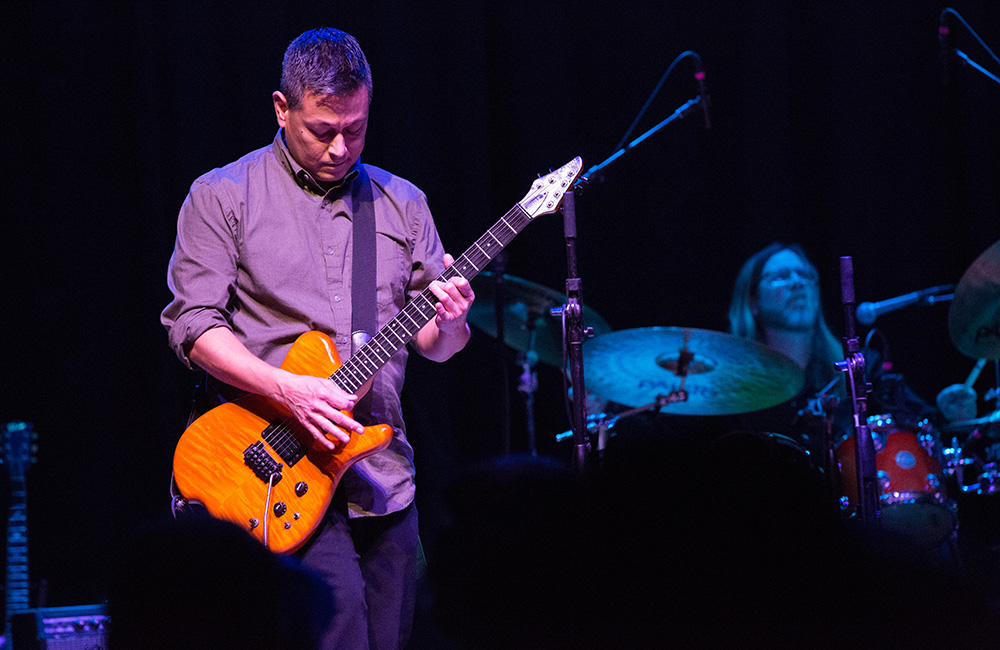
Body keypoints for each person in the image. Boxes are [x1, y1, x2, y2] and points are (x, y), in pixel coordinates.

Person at [160, 27, 474, 650]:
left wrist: (454, 322)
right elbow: (193, 327)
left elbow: (435, 344)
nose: (339, 147)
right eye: (321, 130)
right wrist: (289, 390)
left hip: (381, 475)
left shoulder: (403, 203)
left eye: (355, 129)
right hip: (276, 468)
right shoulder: (222, 195)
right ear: (282, 109)